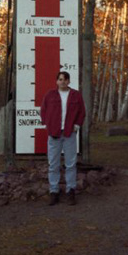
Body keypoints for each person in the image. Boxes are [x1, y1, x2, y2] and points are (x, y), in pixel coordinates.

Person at [40, 70, 86, 206]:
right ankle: (54, 191)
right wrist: (47, 124)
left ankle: (70, 190)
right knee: (53, 164)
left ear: (69, 81)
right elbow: (43, 110)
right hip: (54, 133)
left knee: (70, 164)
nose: (63, 82)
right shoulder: (50, 95)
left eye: (65, 79)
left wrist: (77, 125)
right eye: (60, 79)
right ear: (57, 81)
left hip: (69, 134)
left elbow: (82, 112)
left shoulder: (76, 95)